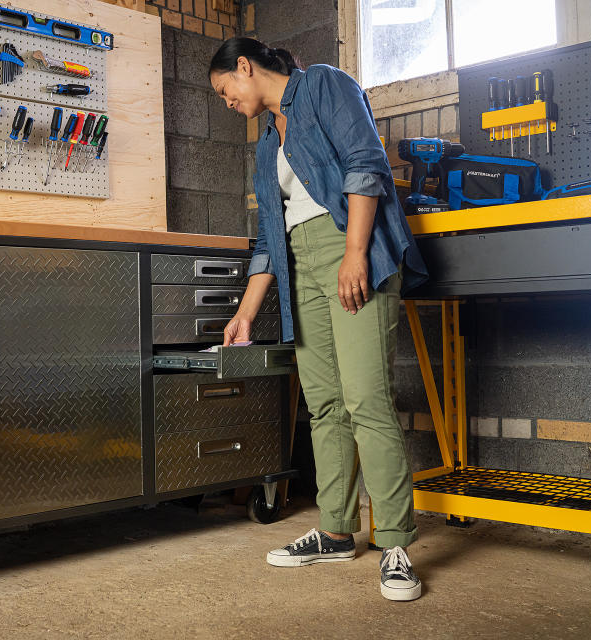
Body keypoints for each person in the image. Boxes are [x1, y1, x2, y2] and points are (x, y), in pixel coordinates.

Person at [208, 37, 430, 602]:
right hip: (299, 266)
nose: (227, 101)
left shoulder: (326, 84)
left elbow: (365, 164)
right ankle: (336, 530)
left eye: (225, 89)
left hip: (348, 247)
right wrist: (244, 316)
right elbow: (268, 240)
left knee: (366, 399)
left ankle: (396, 543)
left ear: (245, 67)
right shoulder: (265, 144)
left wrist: (356, 252)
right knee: (325, 403)